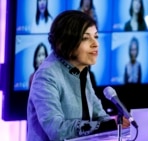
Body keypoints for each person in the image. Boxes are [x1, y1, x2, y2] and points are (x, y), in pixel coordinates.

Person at [27, 10, 130, 141]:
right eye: (86, 38)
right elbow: (57, 130)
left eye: (96, 36)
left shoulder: (81, 69)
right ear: (66, 42)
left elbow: (98, 114)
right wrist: (107, 125)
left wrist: (118, 125)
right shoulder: (46, 76)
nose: (95, 44)